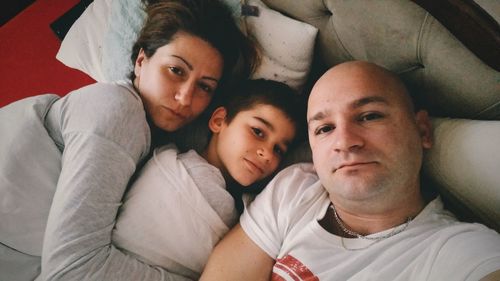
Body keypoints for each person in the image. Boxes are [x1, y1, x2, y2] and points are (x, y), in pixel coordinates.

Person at [0, 0, 256, 280]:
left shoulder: (159, 142)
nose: (185, 97)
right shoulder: (118, 110)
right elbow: (72, 269)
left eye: (204, 86)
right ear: (141, 61)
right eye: (176, 70)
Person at [200, 61, 500, 281]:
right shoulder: (295, 189)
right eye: (324, 128)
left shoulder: (458, 252)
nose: (344, 142)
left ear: (422, 130)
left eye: (369, 116)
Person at [111, 79, 305, 280]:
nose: (268, 155)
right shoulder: (183, 171)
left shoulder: (255, 205)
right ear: (219, 121)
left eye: (279, 149)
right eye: (258, 131)